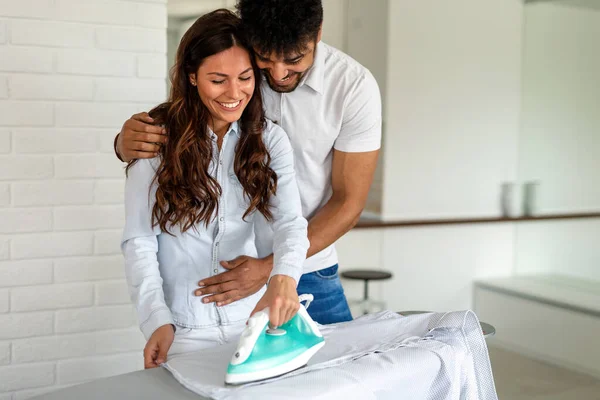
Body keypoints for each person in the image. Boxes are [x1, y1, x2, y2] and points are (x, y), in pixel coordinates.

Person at [115, 0, 381, 325]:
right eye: (265, 61)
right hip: (227, 271)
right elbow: (187, 121)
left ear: (318, 34)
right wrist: (126, 144)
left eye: (294, 59)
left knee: (340, 368)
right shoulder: (237, 72)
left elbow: (348, 203)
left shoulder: (353, 87)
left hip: (309, 267)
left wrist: (269, 267)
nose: (280, 74)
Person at [121, 9, 309, 369]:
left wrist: (283, 277)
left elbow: (290, 222)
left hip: (252, 322)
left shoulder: (270, 140)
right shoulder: (156, 138)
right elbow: (139, 240)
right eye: (218, 80)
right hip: (183, 330)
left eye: (245, 77)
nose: (234, 93)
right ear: (192, 77)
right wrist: (156, 320)